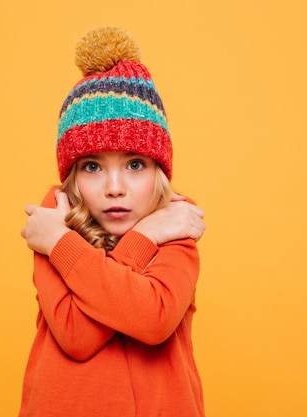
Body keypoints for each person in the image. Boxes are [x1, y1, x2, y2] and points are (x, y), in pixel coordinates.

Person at [18, 26, 206, 417]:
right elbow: (75, 334)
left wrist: (146, 233)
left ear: (159, 172)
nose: (114, 188)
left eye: (135, 165)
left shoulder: (175, 229)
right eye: (92, 167)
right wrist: (142, 239)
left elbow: (153, 320)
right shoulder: (55, 222)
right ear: (72, 177)